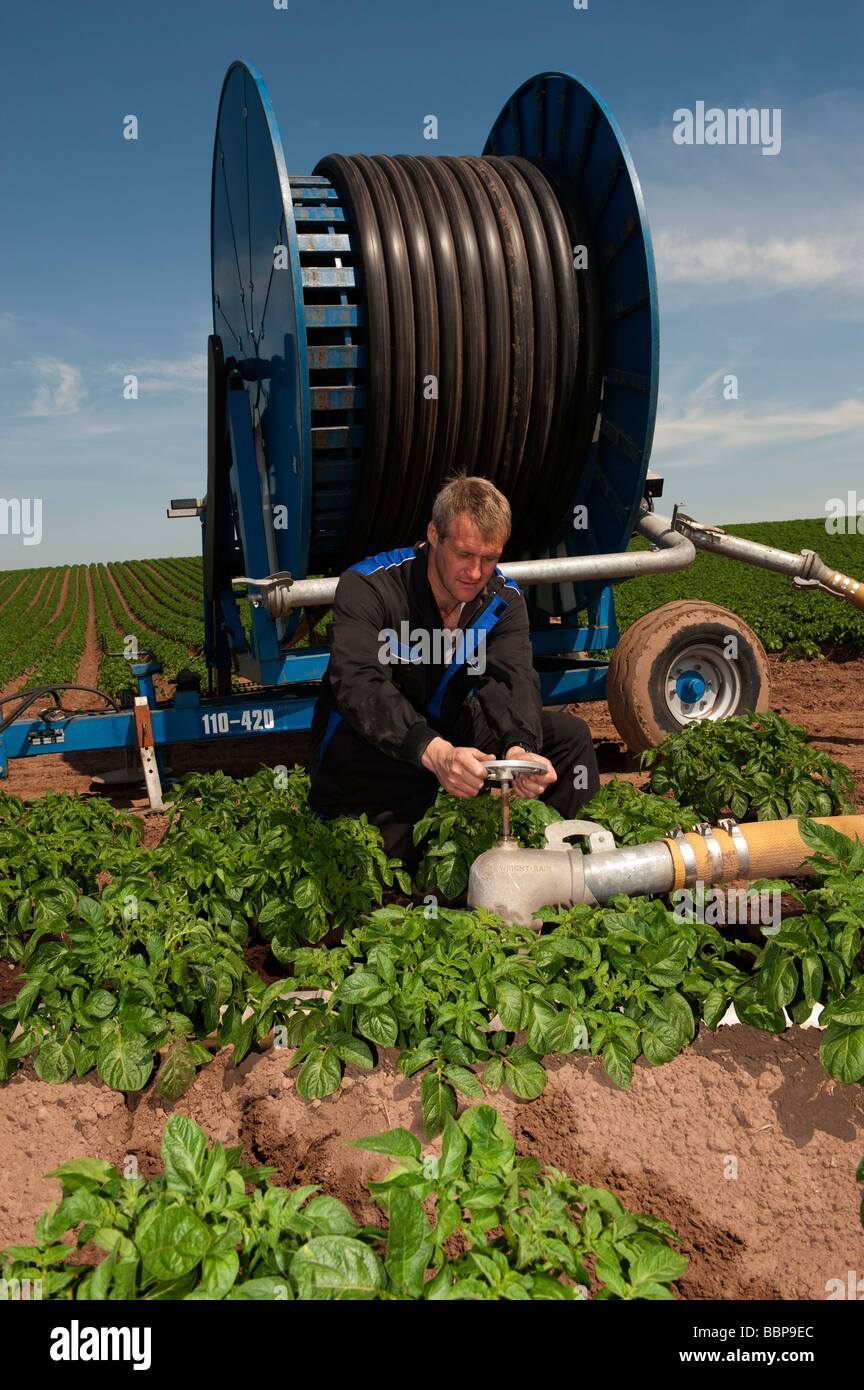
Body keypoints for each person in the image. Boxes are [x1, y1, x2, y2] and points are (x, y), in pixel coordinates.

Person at [308, 475, 600, 874]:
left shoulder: (502, 599)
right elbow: (358, 683)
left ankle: (567, 879)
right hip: (372, 744)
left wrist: (519, 748)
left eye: (490, 558)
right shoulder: (370, 587)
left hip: (450, 722)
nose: (476, 572)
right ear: (433, 535)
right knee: (399, 865)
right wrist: (435, 753)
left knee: (569, 740)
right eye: (464, 554)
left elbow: (510, 677)